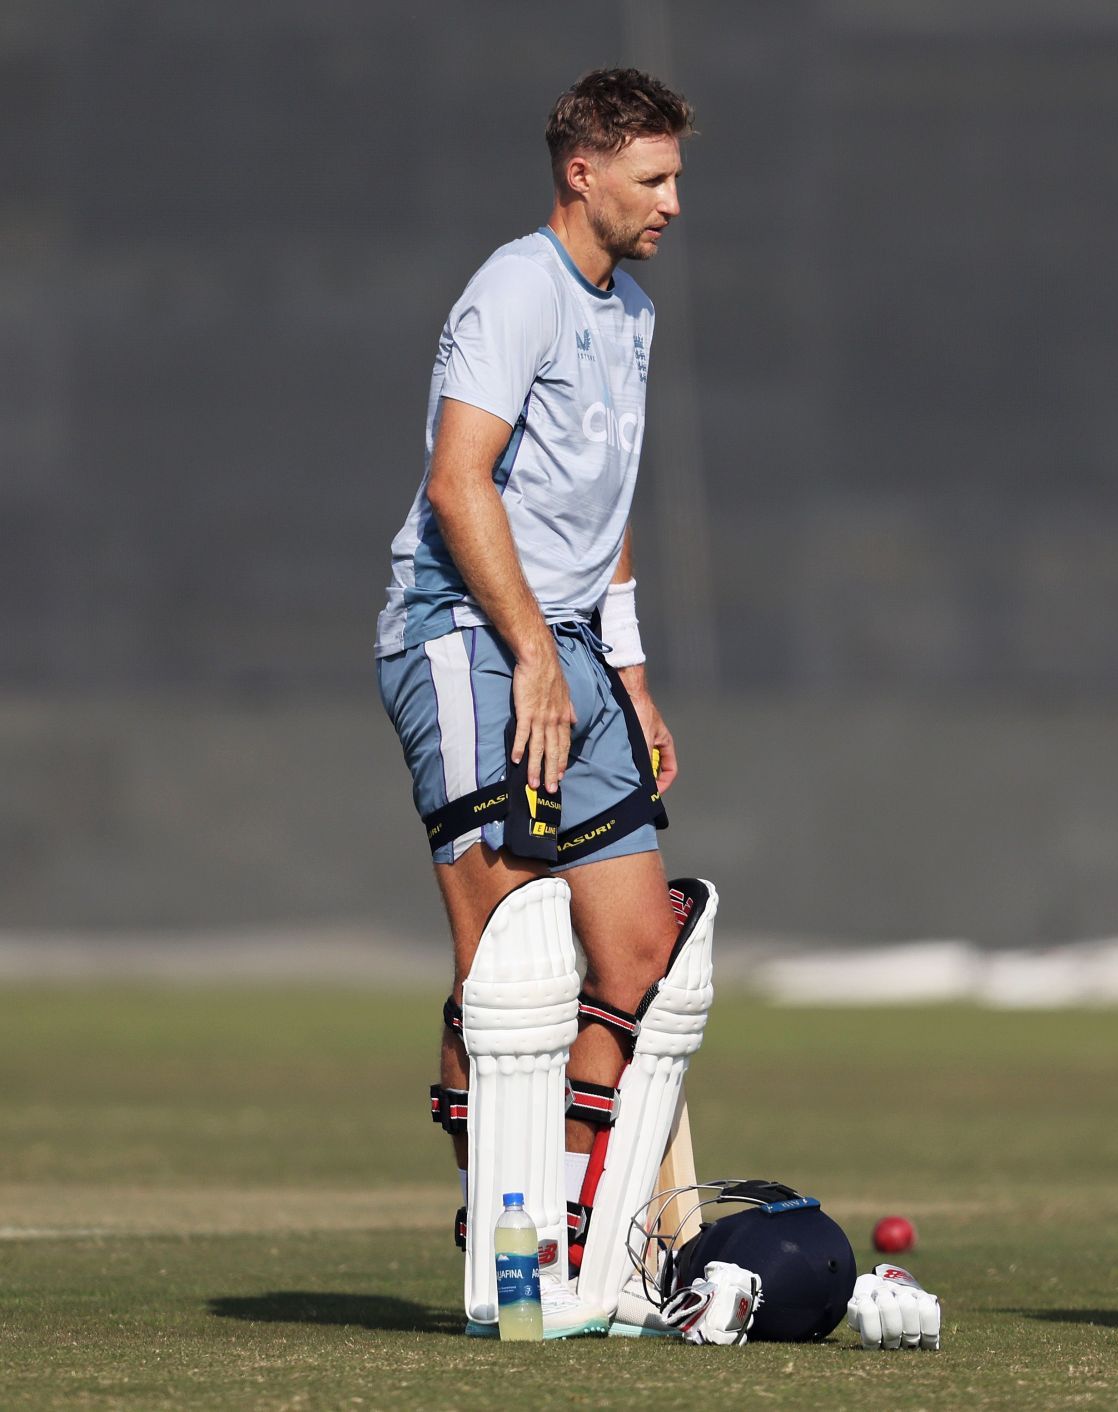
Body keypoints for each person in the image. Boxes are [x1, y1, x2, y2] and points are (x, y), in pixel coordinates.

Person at [374, 68, 699, 1336]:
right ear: (585, 172)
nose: (674, 200)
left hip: (563, 645)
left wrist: (625, 671)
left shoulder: (635, 312)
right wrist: (533, 652)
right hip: (465, 636)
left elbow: (601, 511)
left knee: (635, 953)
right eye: (653, 177)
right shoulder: (518, 285)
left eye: (676, 175)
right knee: (510, 963)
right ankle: (505, 1252)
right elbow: (463, 485)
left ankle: (576, 1232)